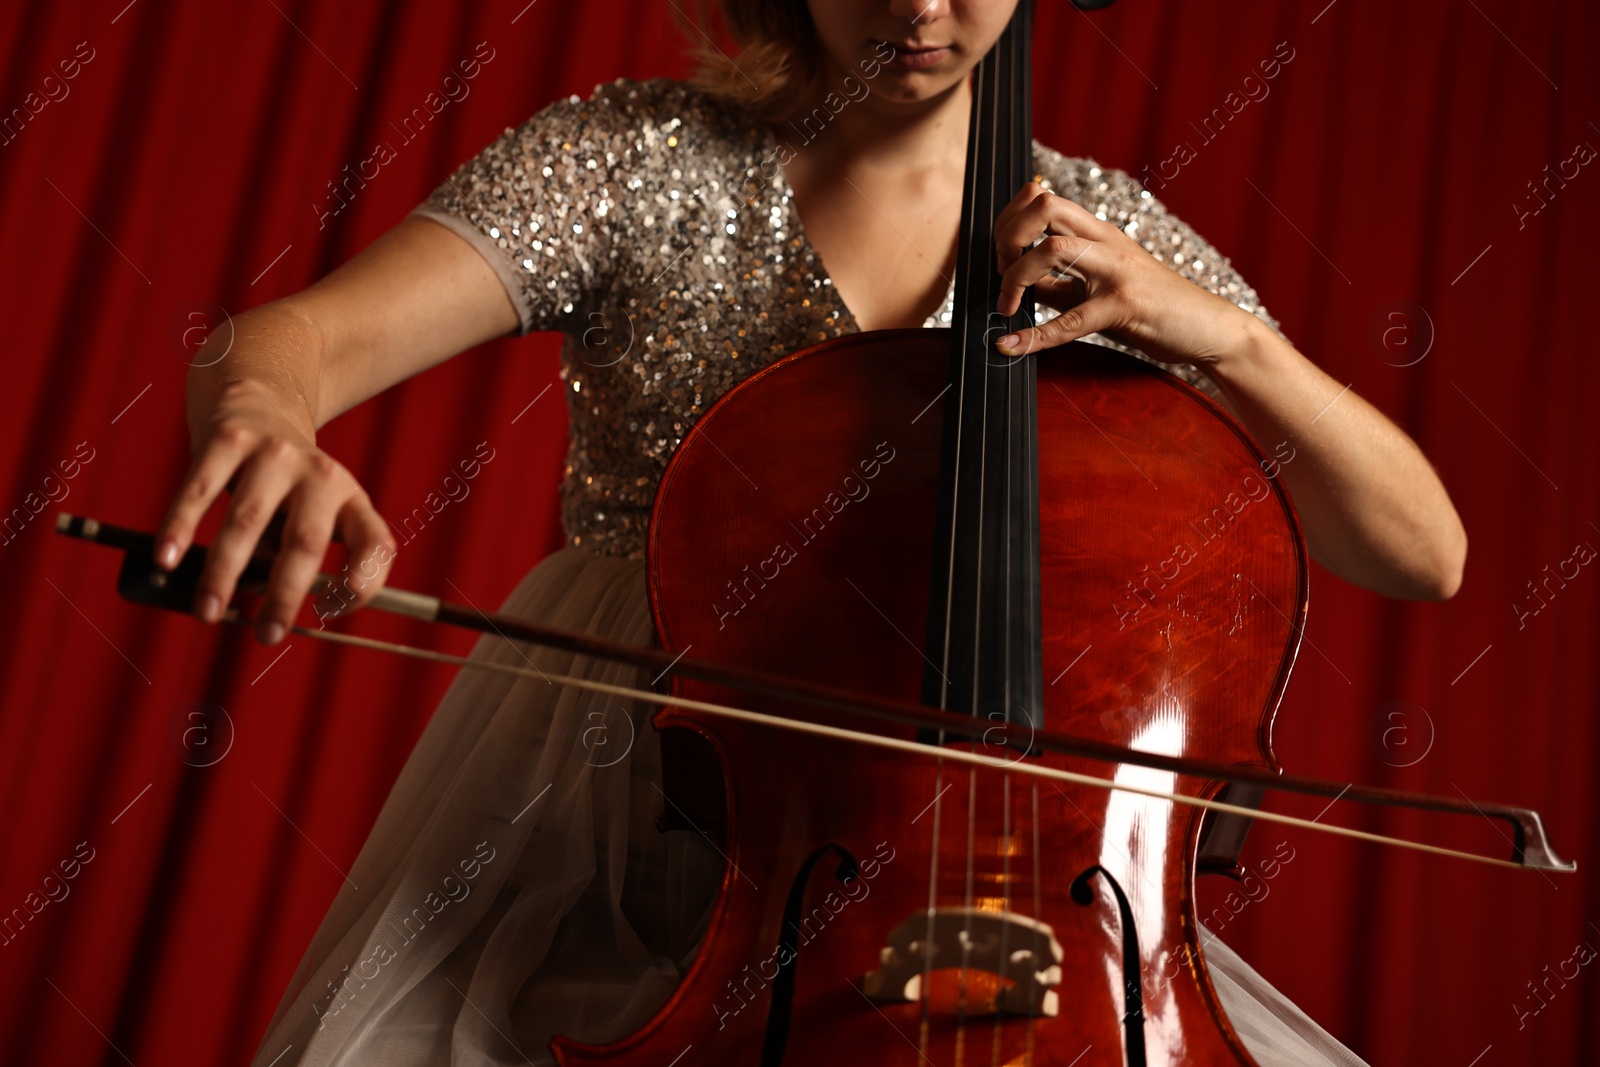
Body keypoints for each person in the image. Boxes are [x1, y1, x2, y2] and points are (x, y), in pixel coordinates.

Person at [155, 1, 1464, 1064]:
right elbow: (285, 342)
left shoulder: (1100, 233)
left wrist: (1226, 340)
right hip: (622, 805)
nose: (921, 7)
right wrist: (270, 416)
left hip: (1001, 867)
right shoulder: (640, 159)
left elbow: (1422, 550)